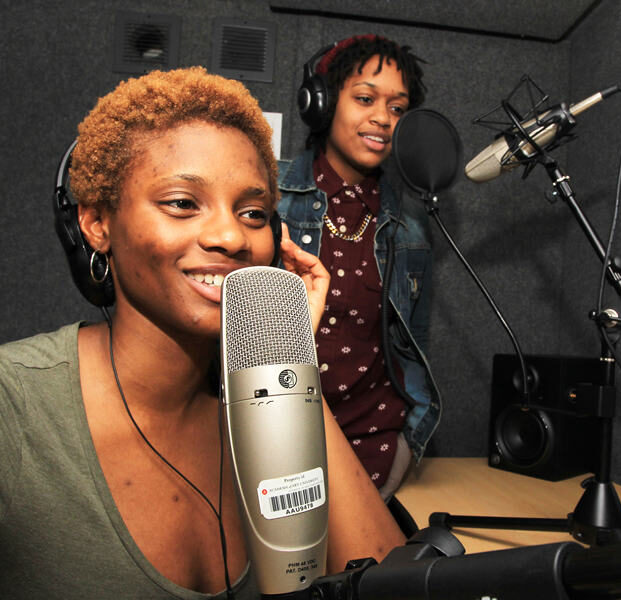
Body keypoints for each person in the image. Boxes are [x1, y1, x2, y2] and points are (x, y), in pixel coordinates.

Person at [0, 67, 404, 599]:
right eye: (183, 203)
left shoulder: (272, 397)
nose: (230, 235)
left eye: (254, 213)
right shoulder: (14, 406)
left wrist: (287, 354)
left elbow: (388, 582)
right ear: (96, 224)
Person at [278, 35, 441, 499]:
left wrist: (406, 449)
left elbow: (414, 354)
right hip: (276, 445)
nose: (382, 119)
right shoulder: (265, 199)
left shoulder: (410, 231)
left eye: (397, 109)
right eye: (365, 99)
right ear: (322, 102)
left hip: (374, 455)